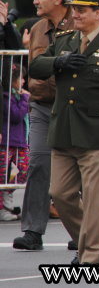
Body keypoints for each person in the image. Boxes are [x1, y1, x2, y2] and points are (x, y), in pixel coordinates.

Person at [28, 0, 99, 264]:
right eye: (74, 8)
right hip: (64, 129)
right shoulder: (65, 41)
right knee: (60, 193)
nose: (74, 14)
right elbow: (36, 67)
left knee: (95, 200)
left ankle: (90, 255)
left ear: (98, 13)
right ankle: (85, 239)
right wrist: (59, 61)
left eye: (81, 9)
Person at [13, 0, 74, 251]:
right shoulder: (36, 29)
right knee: (38, 164)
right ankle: (32, 231)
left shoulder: (81, 25)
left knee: (77, 171)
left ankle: (83, 230)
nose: (35, 1)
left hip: (74, 108)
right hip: (41, 106)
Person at [0, 64, 29, 221]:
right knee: (3, 174)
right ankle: (3, 207)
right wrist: (25, 99)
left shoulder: (17, 96)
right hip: (7, 140)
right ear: (12, 81)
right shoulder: (6, 97)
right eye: (20, 78)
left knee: (22, 170)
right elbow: (16, 115)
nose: (24, 81)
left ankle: (7, 196)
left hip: (19, 141)